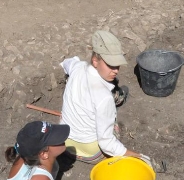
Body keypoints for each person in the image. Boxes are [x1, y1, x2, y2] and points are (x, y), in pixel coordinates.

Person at [60, 30, 149, 164]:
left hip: (63, 143)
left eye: (117, 65)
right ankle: (119, 96)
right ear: (95, 61)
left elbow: (67, 63)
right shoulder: (104, 98)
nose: (116, 70)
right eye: (110, 65)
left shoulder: (78, 67)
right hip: (91, 154)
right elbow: (106, 144)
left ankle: (117, 95)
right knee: (113, 124)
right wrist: (137, 156)